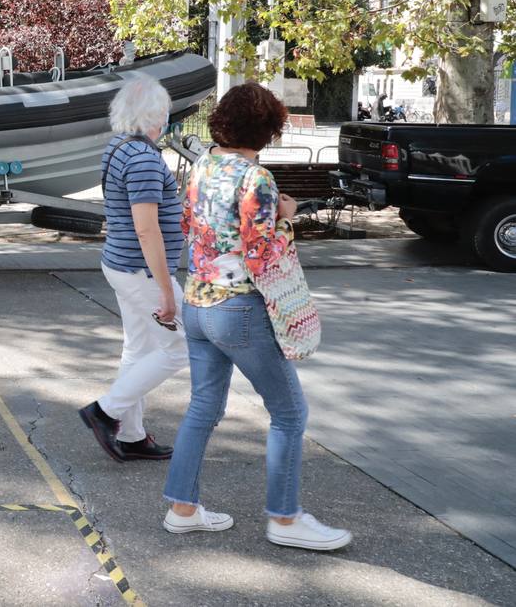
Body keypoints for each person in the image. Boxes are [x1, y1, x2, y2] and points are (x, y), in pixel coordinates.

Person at [161, 82, 351, 551]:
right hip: (238, 308)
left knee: (204, 406)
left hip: (198, 301)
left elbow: (189, 227)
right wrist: (285, 216)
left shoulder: (202, 166)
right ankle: (285, 520)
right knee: (289, 412)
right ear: (266, 130)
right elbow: (260, 251)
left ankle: (182, 508)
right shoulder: (255, 179)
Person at [78, 76, 187, 462]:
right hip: (140, 270)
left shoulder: (119, 147)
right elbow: (146, 228)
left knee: (139, 349)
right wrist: (166, 291)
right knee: (179, 349)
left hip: (121, 263)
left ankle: (133, 435)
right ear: (156, 115)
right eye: (166, 115)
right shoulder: (142, 158)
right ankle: (105, 412)